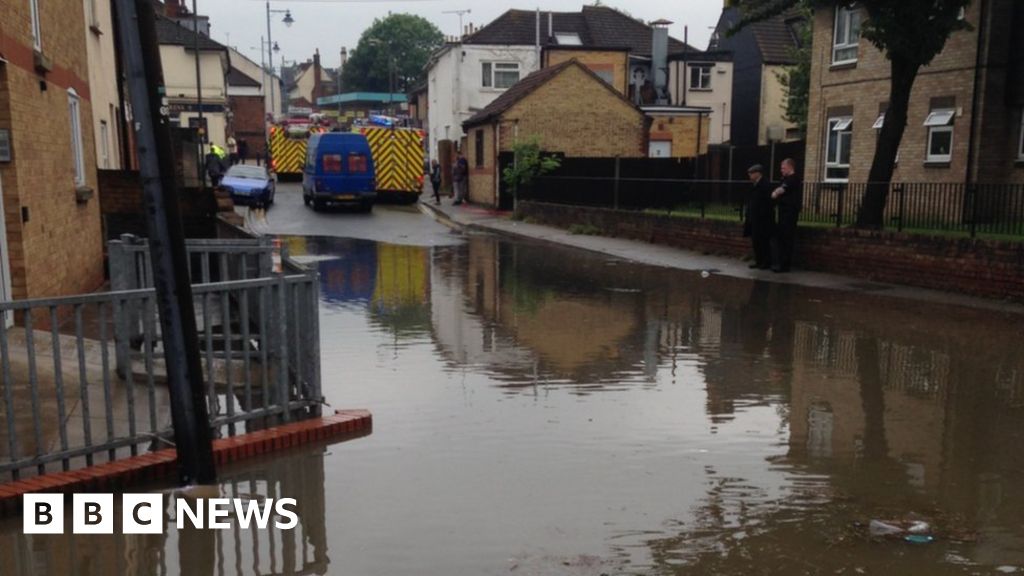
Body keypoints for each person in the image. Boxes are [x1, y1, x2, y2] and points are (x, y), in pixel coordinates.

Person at [771, 158, 803, 273]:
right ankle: (780, 263)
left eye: (783, 168)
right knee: (782, 238)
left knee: (786, 238)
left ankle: (784, 265)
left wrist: (774, 193)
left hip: (789, 213)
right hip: (783, 212)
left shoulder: (793, 179)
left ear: (790, 167)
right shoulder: (785, 179)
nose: (781, 170)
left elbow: (782, 189)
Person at [744, 164, 775, 270]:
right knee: (756, 241)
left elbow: (769, 203)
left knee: (763, 241)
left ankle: (766, 262)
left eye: (751, 174)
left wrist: (761, 214)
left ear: (758, 173)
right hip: (754, 218)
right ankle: (759, 261)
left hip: (763, 219)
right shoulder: (754, 185)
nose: (750, 176)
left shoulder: (765, 185)